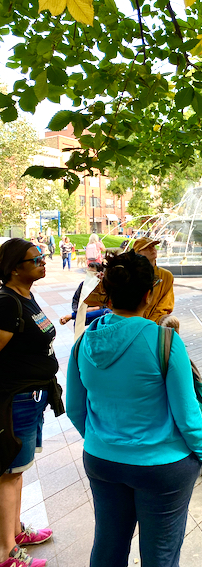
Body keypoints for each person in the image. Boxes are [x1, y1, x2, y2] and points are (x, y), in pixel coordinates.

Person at [66, 250, 202, 567]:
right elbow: (188, 416)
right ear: (148, 294)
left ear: (108, 292)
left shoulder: (83, 342)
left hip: (102, 461)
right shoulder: (166, 342)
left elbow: (75, 408)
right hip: (163, 467)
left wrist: (100, 439)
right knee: (160, 554)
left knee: (107, 545)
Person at [0, 239, 64, 567]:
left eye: (41, 256)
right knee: (9, 472)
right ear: (14, 268)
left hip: (33, 398)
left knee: (17, 470)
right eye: (34, 259)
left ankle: (14, 532)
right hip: (17, 400)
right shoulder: (7, 303)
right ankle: (6, 552)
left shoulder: (26, 296)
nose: (42, 261)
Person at [85, 237, 180, 332]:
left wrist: (147, 325)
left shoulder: (166, 276)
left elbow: (164, 306)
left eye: (153, 246)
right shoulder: (126, 275)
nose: (153, 249)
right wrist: (102, 283)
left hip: (151, 325)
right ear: (137, 253)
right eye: (147, 247)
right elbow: (90, 299)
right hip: (125, 324)